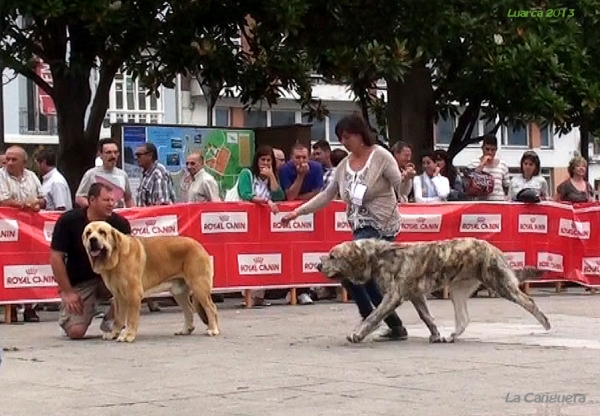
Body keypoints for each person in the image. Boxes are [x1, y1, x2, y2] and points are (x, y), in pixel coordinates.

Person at [281, 113, 409, 341]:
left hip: (381, 227)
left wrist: (407, 177)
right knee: (352, 274)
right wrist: (297, 212)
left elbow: (401, 187)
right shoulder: (343, 166)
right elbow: (327, 195)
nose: (344, 141)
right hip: (359, 227)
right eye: (341, 137)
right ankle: (389, 323)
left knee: (349, 268)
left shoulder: (381, 156)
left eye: (347, 136)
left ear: (360, 135)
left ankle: (372, 318)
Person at [50, 183, 131, 339]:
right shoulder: (69, 221)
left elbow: (129, 258)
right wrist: (67, 292)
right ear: (92, 200)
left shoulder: (120, 224)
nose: (111, 204)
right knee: (76, 332)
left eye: (112, 200)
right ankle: (80, 312)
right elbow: (56, 257)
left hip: (110, 278)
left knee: (130, 286)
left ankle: (112, 318)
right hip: (81, 282)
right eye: (106, 200)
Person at [237, 145, 286, 307]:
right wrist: (267, 201)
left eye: (268, 160)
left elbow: (279, 196)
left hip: (264, 226)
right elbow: (245, 194)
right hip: (244, 223)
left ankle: (259, 296)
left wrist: (272, 176)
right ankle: (248, 295)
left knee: (264, 257)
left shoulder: (271, 176)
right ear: (256, 160)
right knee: (247, 258)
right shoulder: (247, 174)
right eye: (262, 160)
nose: (265, 163)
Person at [75, 138, 134, 208]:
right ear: (100, 154)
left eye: (115, 152)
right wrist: (94, 209)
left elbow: (128, 198)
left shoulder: (123, 175)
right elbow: (79, 197)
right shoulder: (91, 174)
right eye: (108, 152)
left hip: (118, 216)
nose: (113, 156)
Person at [466, 135, 510, 201]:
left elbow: (507, 187)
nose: (490, 152)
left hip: (498, 202)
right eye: (487, 149)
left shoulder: (503, 165)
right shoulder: (474, 163)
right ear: (482, 148)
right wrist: (482, 164)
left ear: (496, 150)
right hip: (481, 203)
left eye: (493, 150)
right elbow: (470, 182)